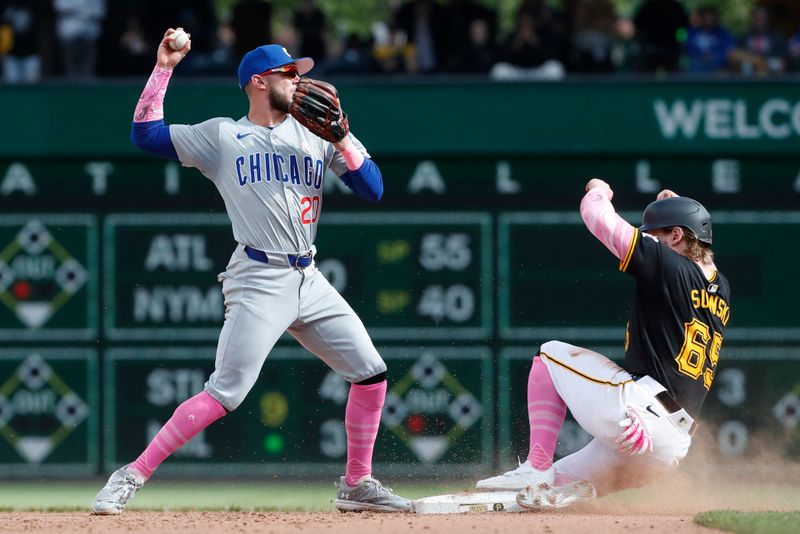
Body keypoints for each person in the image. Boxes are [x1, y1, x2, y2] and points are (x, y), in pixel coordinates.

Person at [91, 28, 411, 515]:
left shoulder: (318, 133)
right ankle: (129, 476)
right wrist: (164, 68)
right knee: (226, 393)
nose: (301, 82)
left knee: (371, 373)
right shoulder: (223, 135)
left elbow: (374, 189)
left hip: (309, 276)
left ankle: (357, 483)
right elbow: (145, 134)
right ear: (260, 82)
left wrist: (343, 137)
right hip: (259, 277)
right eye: (290, 74)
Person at [476, 180, 730, 510]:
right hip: (670, 450)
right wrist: (672, 210)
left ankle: (533, 465)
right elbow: (695, 253)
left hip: (639, 415)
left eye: (653, 234)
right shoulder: (720, 286)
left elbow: (596, 215)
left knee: (549, 354)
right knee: (544, 490)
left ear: (677, 236)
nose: (647, 239)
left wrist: (601, 191)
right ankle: (567, 490)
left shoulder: (667, 264)